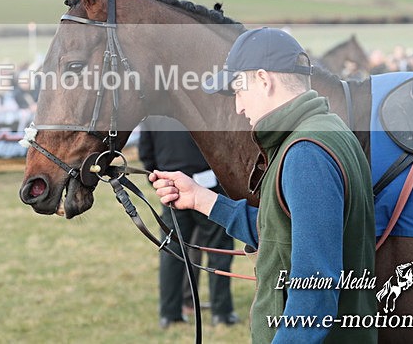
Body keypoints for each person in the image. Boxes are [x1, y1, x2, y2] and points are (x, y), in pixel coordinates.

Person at [149, 27, 376, 343]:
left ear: (263, 80)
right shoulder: (326, 129)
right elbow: (282, 233)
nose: (238, 107)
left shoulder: (306, 152)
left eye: (238, 91)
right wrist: (201, 199)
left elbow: (315, 291)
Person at [138, 116, 239, 329]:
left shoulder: (153, 114)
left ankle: (170, 314)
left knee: (172, 252)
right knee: (219, 250)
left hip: (173, 188)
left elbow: (146, 155)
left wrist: (161, 179)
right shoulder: (199, 107)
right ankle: (221, 313)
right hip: (207, 189)